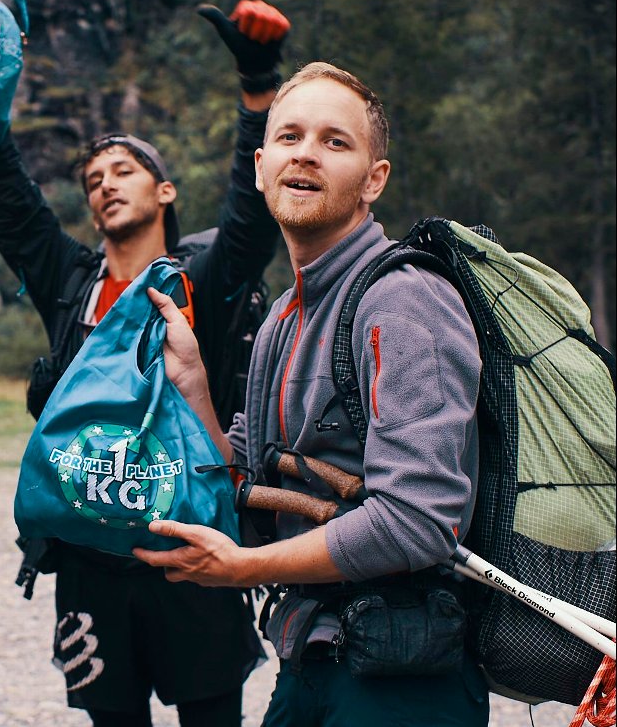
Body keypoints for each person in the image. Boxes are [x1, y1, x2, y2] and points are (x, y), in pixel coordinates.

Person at [0, 0, 289, 726]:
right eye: (93, 178)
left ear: (164, 190)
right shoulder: (72, 285)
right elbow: (13, 207)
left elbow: (252, 209)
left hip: (194, 548)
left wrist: (258, 86)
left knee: (212, 717)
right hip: (89, 559)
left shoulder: (205, 280)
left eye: (124, 169)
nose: (104, 182)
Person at [134, 62, 490, 726]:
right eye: (290, 136)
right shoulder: (281, 319)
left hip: (403, 682)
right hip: (312, 664)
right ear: (264, 164)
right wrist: (194, 388)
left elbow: (418, 521)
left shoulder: (403, 299)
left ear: (373, 179)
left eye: (335, 141)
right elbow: (248, 489)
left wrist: (242, 569)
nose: (306, 152)